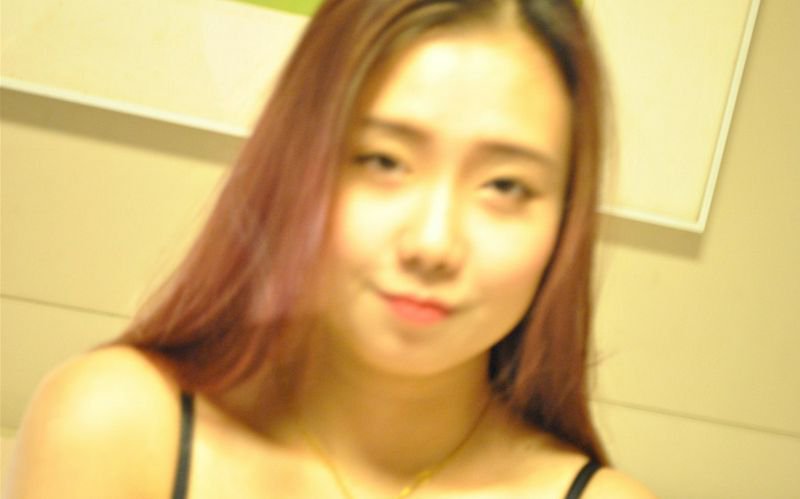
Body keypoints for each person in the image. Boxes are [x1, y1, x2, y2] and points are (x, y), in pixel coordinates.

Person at [5, 0, 655, 497]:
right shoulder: (114, 428)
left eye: (505, 186)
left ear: (564, 221)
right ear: (298, 162)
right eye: (383, 160)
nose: (433, 243)